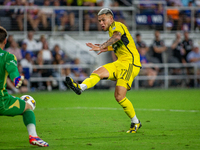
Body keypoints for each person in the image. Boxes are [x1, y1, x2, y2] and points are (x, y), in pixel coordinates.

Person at [65, 8, 142, 133]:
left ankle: (135, 122)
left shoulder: (117, 26)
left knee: (119, 96)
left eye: (103, 20)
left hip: (130, 64)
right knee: (98, 72)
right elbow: (122, 43)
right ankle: (80, 87)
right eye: (99, 20)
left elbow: (117, 37)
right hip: (120, 62)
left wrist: (102, 46)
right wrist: (108, 48)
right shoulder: (112, 30)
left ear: (111, 19)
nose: (101, 23)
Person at [0, 26, 48, 147]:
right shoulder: (7, 56)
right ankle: (33, 136)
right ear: (6, 41)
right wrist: (16, 78)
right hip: (1, 101)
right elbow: (12, 69)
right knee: (28, 106)